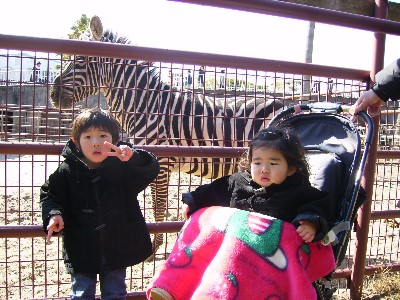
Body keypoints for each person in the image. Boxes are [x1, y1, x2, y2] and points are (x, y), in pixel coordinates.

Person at [149, 125, 336, 300]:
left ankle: (212, 294)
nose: (264, 169)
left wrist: (311, 222)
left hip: (267, 261)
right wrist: (195, 201)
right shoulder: (239, 182)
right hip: (234, 253)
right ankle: (171, 285)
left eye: (273, 163)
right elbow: (215, 190)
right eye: (257, 162)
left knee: (237, 245)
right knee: (201, 222)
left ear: (291, 169)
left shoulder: (298, 191)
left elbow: (319, 204)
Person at [40, 107, 160, 300]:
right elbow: (50, 194)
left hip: (116, 245)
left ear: (115, 141)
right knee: (81, 293)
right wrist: (54, 213)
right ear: (76, 142)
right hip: (81, 246)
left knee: (115, 292)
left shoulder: (123, 167)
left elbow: (150, 170)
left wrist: (133, 157)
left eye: (102, 135)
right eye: (87, 137)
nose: (95, 143)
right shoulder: (67, 170)